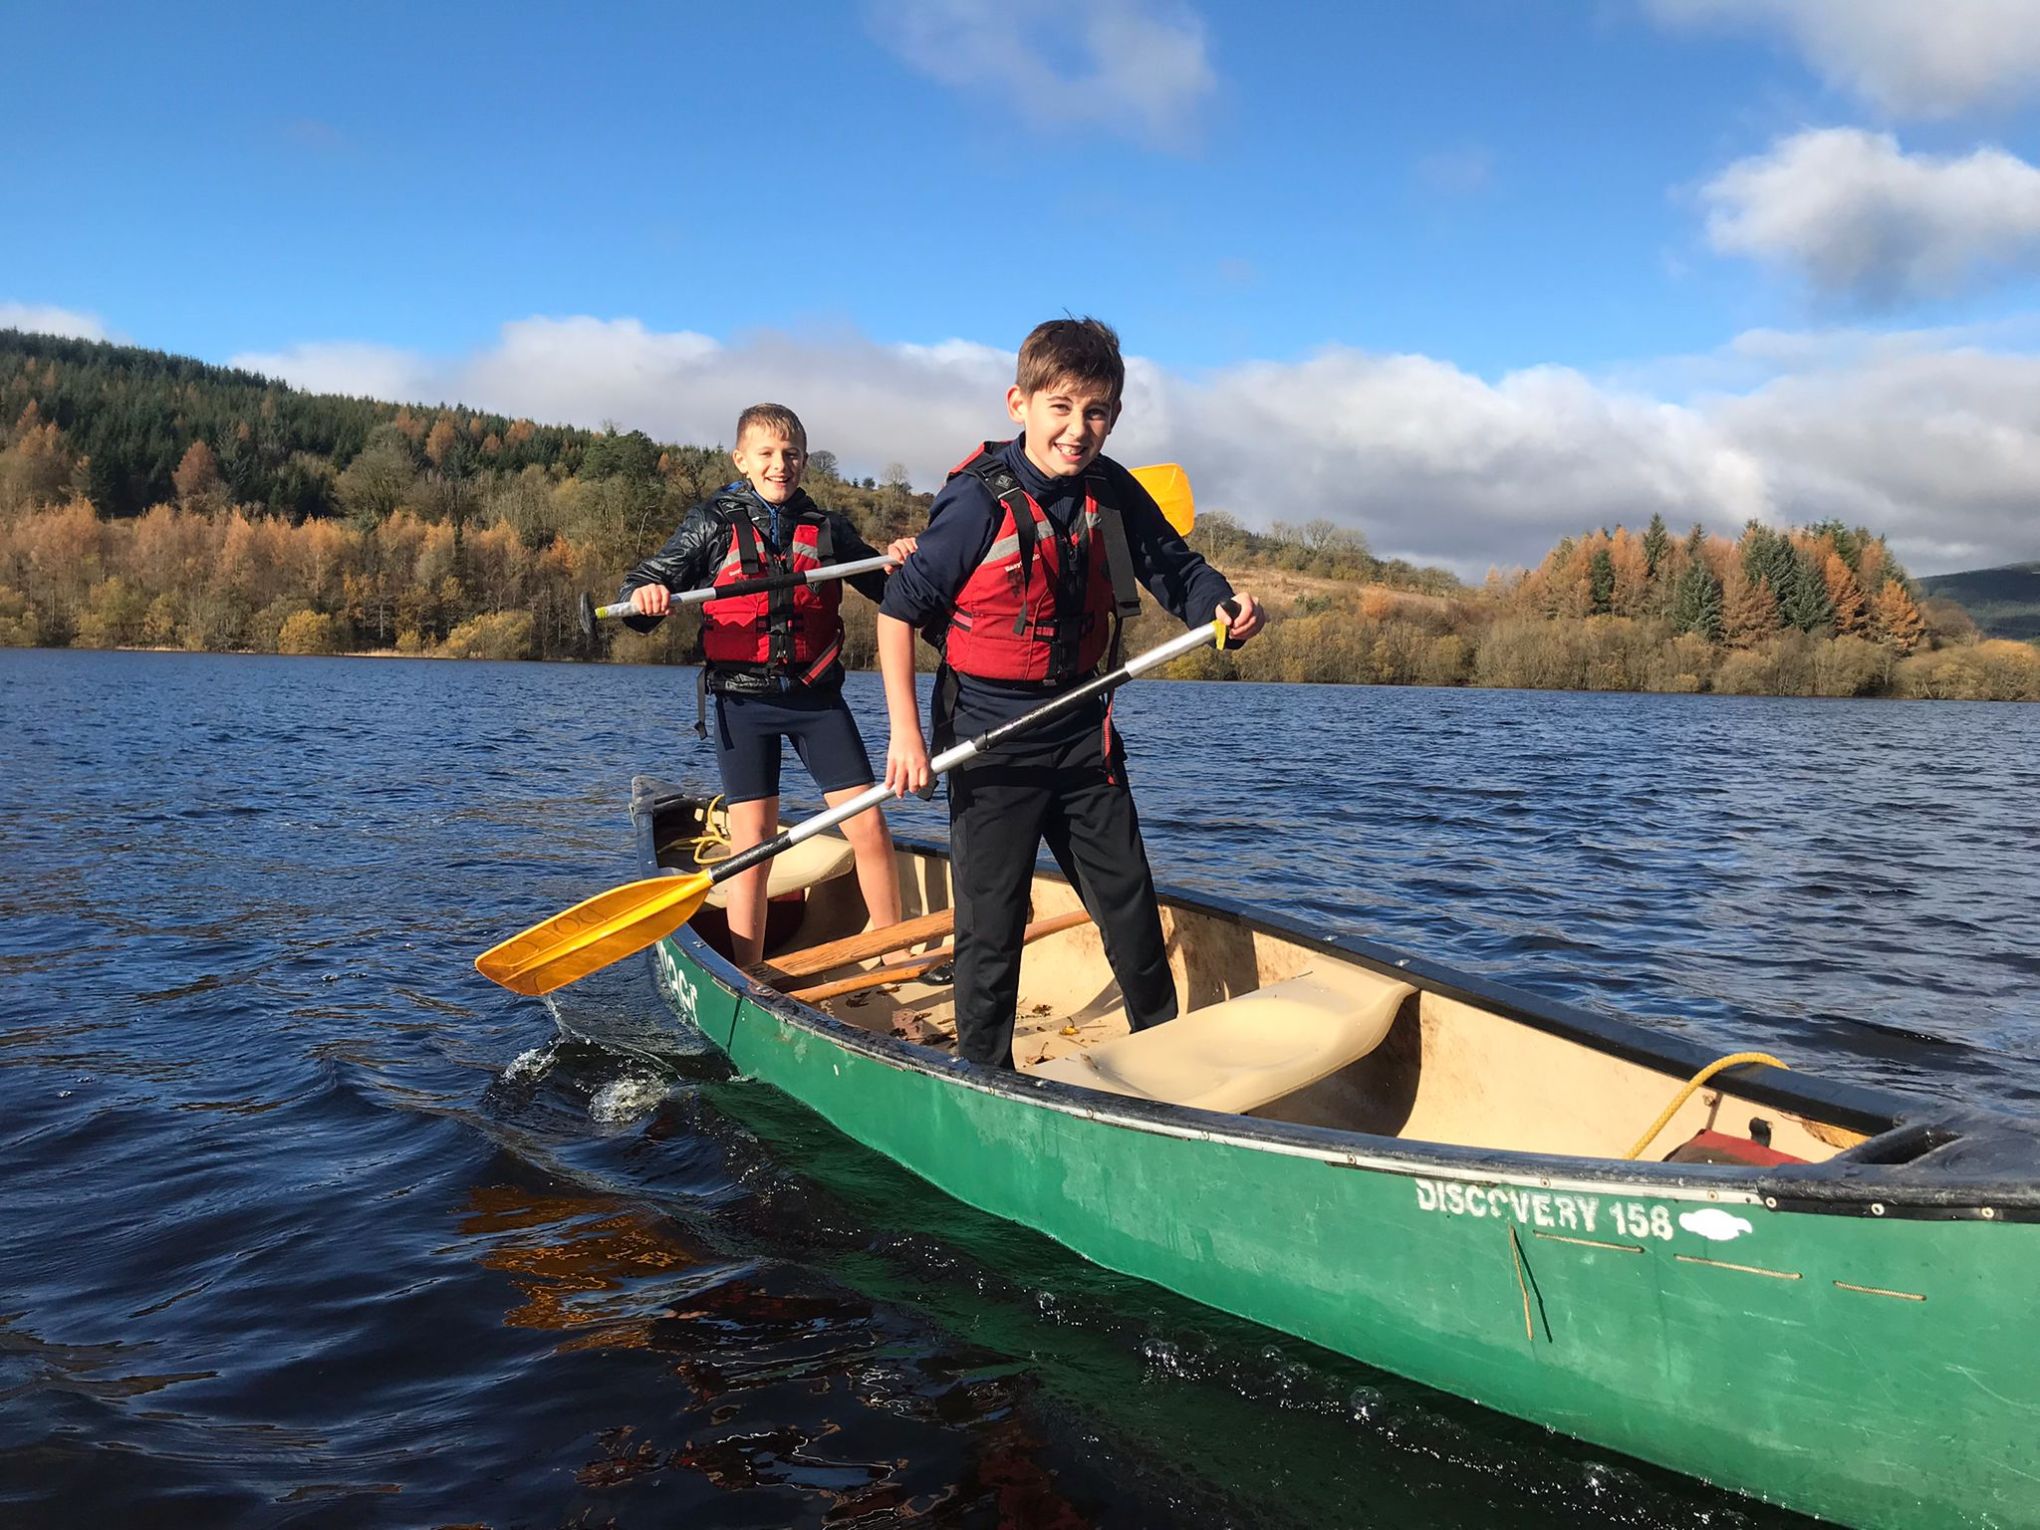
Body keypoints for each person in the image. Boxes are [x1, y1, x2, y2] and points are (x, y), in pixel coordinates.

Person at [876, 317, 1263, 1069]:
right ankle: (984, 1075)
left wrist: (1220, 607)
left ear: (1113, 417)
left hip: (1084, 727)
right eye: (1061, 409)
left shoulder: (1111, 491)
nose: (1078, 430)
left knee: (1129, 908)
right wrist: (905, 736)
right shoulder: (974, 505)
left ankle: (1163, 1053)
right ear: (1019, 404)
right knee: (991, 927)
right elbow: (898, 613)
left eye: (1096, 413)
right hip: (988, 735)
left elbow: (1178, 571)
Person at [619, 403, 914, 968]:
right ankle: (749, 971)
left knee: (869, 824)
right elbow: (647, 585)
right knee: (753, 842)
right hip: (742, 702)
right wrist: (645, 595)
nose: (782, 465)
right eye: (768, 454)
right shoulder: (709, 523)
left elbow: (891, 590)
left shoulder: (827, 528)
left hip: (815, 699)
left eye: (792, 454)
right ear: (742, 460)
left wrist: (899, 560)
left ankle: (893, 955)